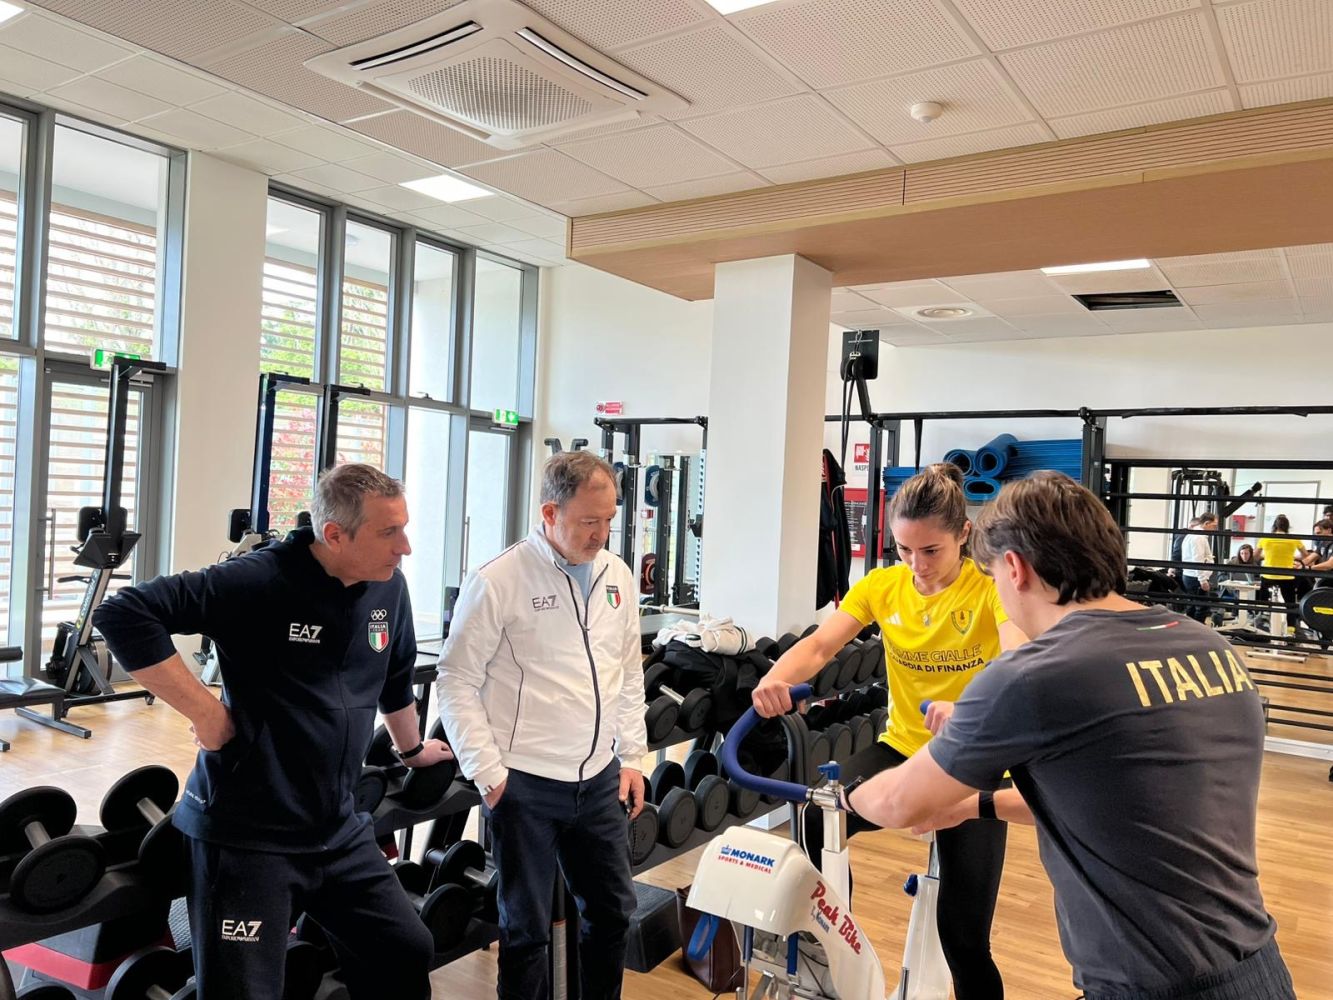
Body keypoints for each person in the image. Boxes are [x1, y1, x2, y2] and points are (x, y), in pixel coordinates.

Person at [843, 472, 1296, 1000]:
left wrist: (839, 798)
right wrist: (976, 806)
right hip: (1260, 970)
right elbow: (1121, 801)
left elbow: (897, 803)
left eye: (993, 575)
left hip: (1150, 987)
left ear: (1014, 569)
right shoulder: (1210, 648)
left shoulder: (1036, 675)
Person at [93, 464, 447, 1000]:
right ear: (335, 535)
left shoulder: (388, 587)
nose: (406, 547)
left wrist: (412, 749)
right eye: (388, 532)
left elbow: (394, 678)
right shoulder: (259, 579)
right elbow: (124, 614)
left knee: (404, 949)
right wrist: (205, 713)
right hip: (249, 837)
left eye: (404, 528)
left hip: (338, 828)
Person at [752, 463, 1024, 1000]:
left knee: (964, 939)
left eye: (931, 550)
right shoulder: (883, 586)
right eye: (904, 549)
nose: (917, 565)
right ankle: (838, 942)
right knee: (818, 817)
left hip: (975, 762)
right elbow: (820, 646)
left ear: (964, 535)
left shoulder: (989, 587)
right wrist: (774, 679)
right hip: (903, 749)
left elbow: (1018, 657)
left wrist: (970, 708)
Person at [437, 451, 647, 1000]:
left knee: (612, 914)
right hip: (525, 785)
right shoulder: (498, 580)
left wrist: (632, 756)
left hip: (599, 780)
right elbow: (455, 680)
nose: (602, 534)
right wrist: (489, 774)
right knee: (525, 931)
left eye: (609, 519)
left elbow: (628, 671)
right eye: (589, 521)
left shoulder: (617, 574)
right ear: (550, 513)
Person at [1256, 515, 1308, 631]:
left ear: (1274, 526)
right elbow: (1305, 555)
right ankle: (1290, 629)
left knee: (1262, 600)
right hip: (1286, 576)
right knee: (1290, 604)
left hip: (1268, 575)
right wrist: (1292, 557)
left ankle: (1263, 621)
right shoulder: (1294, 539)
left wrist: (1268, 556)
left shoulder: (1265, 538)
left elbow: (1256, 556)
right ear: (1287, 526)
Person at [1179, 512, 1218, 623]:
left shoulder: (1192, 535)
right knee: (1202, 607)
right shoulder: (1199, 538)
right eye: (1214, 525)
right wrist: (1203, 580)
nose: (1215, 529)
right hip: (1195, 577)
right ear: (1206, 523)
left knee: (1192, 606)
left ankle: (1190, 628)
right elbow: (1198, 560)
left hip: (1190, 575)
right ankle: (1197, 629)